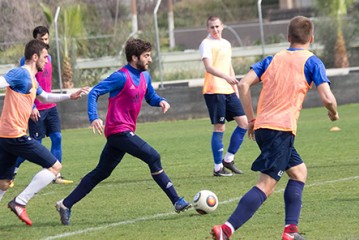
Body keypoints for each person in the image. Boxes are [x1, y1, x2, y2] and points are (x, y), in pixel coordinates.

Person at [210, 16, 339, 240]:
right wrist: (334, 112)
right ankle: (226, 230)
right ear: (312, 38)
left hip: (264, 128)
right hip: (281, 130)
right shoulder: (312, 61)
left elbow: (243, 84)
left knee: (299, 172)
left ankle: (291, 230)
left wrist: (251, 119)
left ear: (288, 37)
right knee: (266, 185)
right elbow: (327, 97)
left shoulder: (273, 59)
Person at [55, 38, 191, 225]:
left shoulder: (145, 76)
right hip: (118, 130)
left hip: (124, 132)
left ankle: (65, 204)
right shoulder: (121, 76)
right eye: (146, 56)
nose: (149, 59)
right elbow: (94, 92)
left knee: (101, 172)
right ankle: (176, 200)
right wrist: (94, 117)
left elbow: (150, 96)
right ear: (134, 57)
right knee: (153, 156)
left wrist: (160, 100)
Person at [0, 39, 89, 226]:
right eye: (45, 57)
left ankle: (17, 201)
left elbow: (45, 96)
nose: (47, 61)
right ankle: (19, 202)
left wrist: (69, 96)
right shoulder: (21, 74)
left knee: (4, 182)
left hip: (6, 137)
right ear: (35, 57)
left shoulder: (31, 79)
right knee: (55, 167)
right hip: (15, 136)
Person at [12, 26, 73, 186]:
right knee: (34, 145)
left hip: (50, 107)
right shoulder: (26, 62)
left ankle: (56, 175)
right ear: (35, 41)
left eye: (47, 39)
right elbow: (25, 86)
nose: (45, 42)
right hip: (36, 108)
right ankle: (12, 171)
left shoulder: (49, 58)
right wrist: (31, 106)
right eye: (42, 40)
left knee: (57, 138)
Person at [199, 16, 248, 177]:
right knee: (220, 127)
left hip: (228, 90)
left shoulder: (226, 44)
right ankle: (218, 167)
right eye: (212, 27)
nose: (215, 30)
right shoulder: (206, 44)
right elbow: (209, 67)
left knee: (244, 123)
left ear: (223, 26)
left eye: (217, 26)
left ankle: (229, 159)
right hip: (214, 90)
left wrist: (235, 88)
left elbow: (229, 66)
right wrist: (226, 78)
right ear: (208, 29)